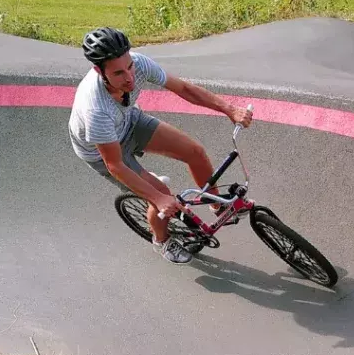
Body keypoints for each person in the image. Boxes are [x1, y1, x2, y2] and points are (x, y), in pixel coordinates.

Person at [68, 26, 252, 264]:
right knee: (162, 195)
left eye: (130, 67)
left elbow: (184, 89)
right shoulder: (95, 108)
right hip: (101, 150)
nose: (130, 78)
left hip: (128, 120)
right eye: (118, 74)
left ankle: (218, 207)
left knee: (194, 152)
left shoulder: (139, 64)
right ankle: (162, 241)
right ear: (98, 71)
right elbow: (114, 165)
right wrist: (158, 196)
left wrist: (229, 109)